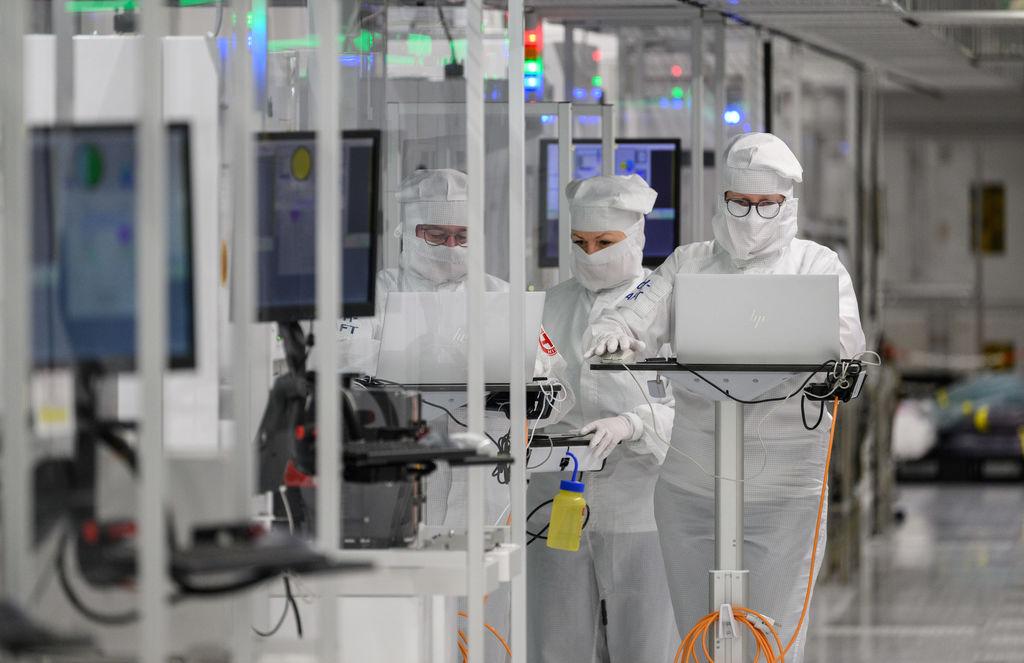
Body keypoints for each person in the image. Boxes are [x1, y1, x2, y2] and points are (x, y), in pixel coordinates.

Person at [584, 133, 866, 663]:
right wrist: (615, 329)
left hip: (787, 489)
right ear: (722, 199)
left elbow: (847, 342)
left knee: (772, 639)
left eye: (767, 205)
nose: (753, 216)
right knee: (697, 635)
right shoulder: (687, 263)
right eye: (741, 202)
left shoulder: (817, 265)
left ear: (789, 204)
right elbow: (632, 311)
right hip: (693, 484)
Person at [526, 175, 678, 663]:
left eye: (604, 243)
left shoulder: (665, 304)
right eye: (580, 243)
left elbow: (697, 405)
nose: (591, 253)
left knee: (646, 642)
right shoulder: (549, 305)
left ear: (636, 239)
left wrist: (633, 423)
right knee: (558, 639)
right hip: (554, 498)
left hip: (641, 502)